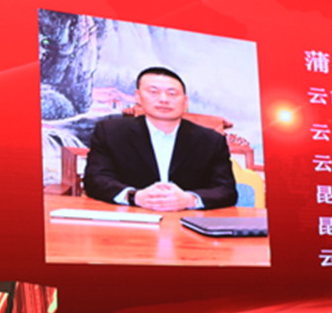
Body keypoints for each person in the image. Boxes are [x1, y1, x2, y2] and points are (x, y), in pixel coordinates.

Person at [83, 67, 238, 211]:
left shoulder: (211, 141)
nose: (164, 99)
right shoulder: (111, 132)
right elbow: (95, 180)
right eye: (154, 92)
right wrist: (134, 196)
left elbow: (226, 190)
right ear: (138, 97)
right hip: (131, 218)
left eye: (172, 93)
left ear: (185, 102)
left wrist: (189, 200)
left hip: (189, 221)